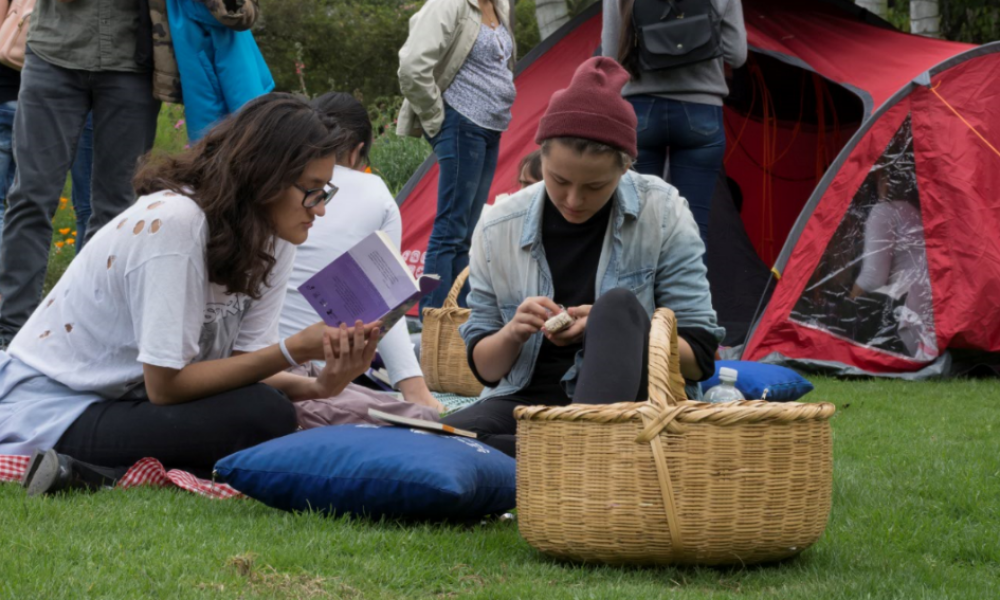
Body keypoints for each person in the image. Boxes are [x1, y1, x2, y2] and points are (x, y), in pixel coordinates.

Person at [2, 94, 384, 496]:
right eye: (311, 190)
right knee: (264, 416)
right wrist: (294, 350)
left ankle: (92, 472)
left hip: (129, 402)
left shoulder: (275, 235)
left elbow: (245, 367)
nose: (319, 209)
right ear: (264, 176)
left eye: (325, 191)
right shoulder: (176, 223)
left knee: (267, 410)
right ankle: (93, 471)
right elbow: (165, 386)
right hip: (59, 406)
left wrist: (319, 386)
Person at [441, 58, 723, 457]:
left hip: (632, 406)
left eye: (595, 186)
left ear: (626, 167)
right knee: (432, 437)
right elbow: (485, 369)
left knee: (619, 307)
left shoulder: (663, 213)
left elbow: (699, 360)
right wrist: (514, 331)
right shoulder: (498, 225)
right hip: (528, 403)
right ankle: (565, 457)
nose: (574, 200)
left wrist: (615, 331)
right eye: (558, 180)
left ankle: (555, 453)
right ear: (541, 159)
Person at [0, 0, 163, 349]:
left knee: (116, 210)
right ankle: (10, 336)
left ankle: (86, 335)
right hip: (53, 54)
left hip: (132, 62)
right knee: (30, 197)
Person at [280, 92, 444, 413]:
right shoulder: (373, 191)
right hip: (306, 369)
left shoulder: (277, 184)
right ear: (357, 152)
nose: (322, 209)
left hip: (265, 363)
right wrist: (416, 391)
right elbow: (386, 297)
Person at [397, 0, 516, 315]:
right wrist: (436, 115)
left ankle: (460, 320)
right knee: (450, 229)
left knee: (465, 230)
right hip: (462, 122)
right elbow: (412, 66)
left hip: (491, 125)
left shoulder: (499, 4)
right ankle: (434, 317)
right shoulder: (450, 4)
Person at [603, 0, 747, 246]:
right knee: (692, 231)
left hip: (641, 113)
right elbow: (737, 55)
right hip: (701, 111)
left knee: (641, 231)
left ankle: (646, 285)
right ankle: (688, 285)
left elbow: (610, 57)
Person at [850, 163, 936, 360]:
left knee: (851, 308)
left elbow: (873, 278)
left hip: (910, 309)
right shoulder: (915, 211)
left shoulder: (884, 211)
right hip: (931, 304)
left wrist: (848, 299)